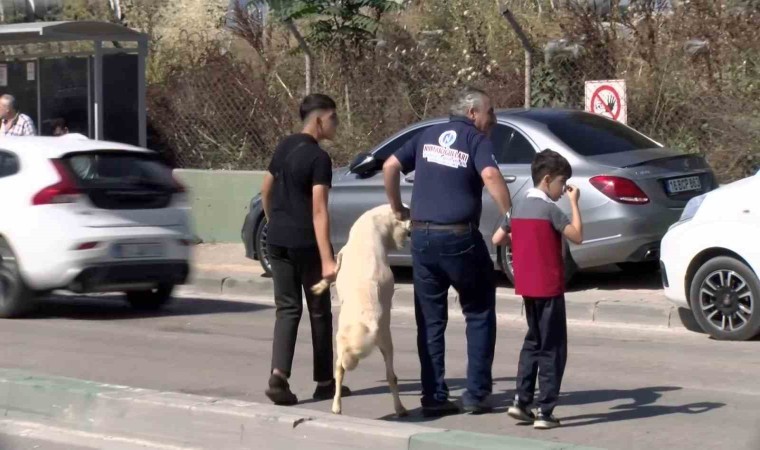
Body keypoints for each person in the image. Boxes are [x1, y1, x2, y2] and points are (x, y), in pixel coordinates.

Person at [383, 87, 512, 417]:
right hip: (460, 239)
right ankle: (476, 394)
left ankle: (433, 396)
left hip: (423, 238)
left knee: (429, 319)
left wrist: (397, 207)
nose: (493, 119)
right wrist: (511, 216)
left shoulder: (428, 134)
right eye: (490, 112)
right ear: (472, 113)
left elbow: (390, 165)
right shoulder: (475, 139)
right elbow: (490, 174)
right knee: (480, 311)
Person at [259, 93, 351, 405]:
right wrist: (327, 258)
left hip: (277, 241)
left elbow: (266, 188)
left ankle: (278, 376)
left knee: (286, 309)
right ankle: (325, 382)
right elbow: (319, 211)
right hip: (306, 245)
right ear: (319, 120)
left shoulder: (285, 145)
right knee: (319, 312)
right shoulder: (319, 159)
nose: (336, 124)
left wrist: (274, 221)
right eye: (334, 118)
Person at [493, 149, 583, 430]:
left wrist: (522, 238)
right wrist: (574, 202)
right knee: (553, 347)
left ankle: (521, 400)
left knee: (533, 341)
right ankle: (545, 410)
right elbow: (578, 236)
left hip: (527, 287)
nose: (562, 189)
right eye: (561, 183)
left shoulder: (516, 207)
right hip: (549, 287)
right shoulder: (550, 210)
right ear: (547, 180)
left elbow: (498, 238)